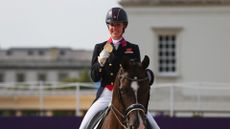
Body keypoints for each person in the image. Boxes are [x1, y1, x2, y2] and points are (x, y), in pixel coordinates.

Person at [79, 7, 160, 129]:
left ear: (124, 26)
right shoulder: (100, 47)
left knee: (154, 125)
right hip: (106, 94)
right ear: (108, 26)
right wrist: (101, 60)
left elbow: (136, 73)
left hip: (128, 95)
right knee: (84, 125)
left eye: (118, 25)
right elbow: (94, 77)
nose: (114, 28)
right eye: (111, 24)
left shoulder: (132, 48)